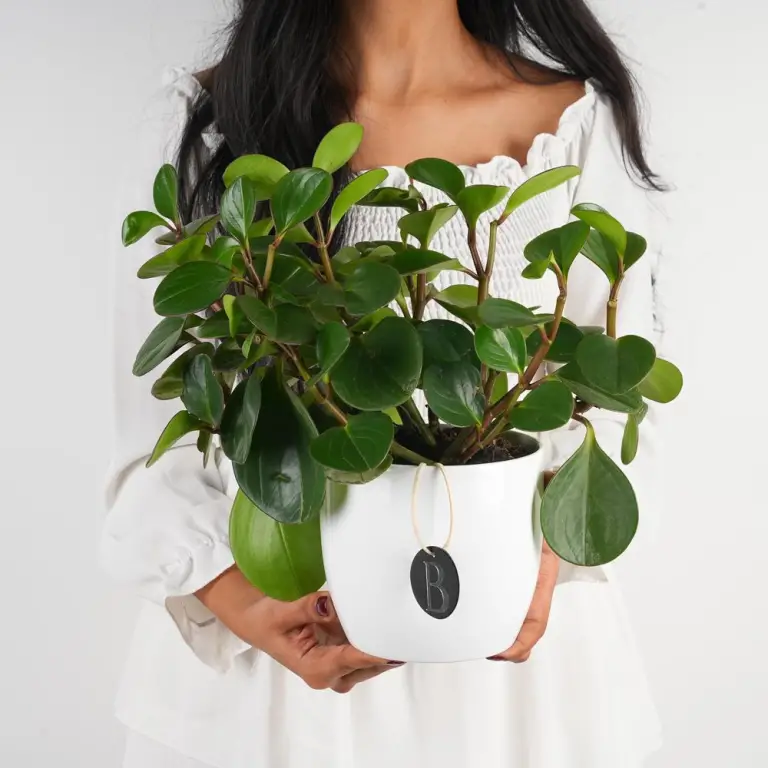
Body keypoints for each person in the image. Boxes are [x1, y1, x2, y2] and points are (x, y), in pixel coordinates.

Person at [104, 1, 668, 766]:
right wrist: (255, 609)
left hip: (512, 692)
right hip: (271, 692)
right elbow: (159, 438)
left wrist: (539, 575)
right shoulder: (207, 124)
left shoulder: (573, 127)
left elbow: (614, 398)